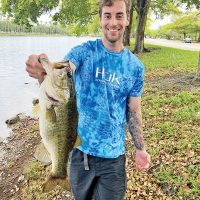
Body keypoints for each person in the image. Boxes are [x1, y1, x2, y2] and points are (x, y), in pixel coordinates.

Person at [26, 0, 151, 199]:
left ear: (127, 19)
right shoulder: (84, 52)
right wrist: (42, 68)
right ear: (100, 19)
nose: (113, 22)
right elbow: (65, 70)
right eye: (107, 15)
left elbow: (133, 111)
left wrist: (140, 148)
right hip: (80, 153)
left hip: (114, 159)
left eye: (119, 15)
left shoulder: (135, 67)